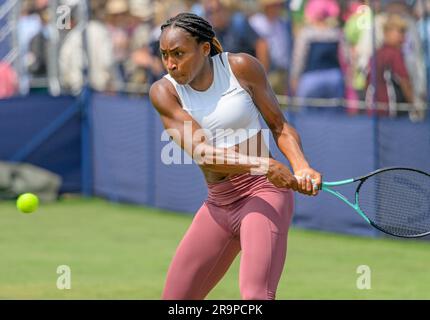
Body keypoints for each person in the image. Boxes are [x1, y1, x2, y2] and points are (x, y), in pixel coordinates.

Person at [149, 12, 321, 300]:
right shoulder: (164, 91)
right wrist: (263, 163)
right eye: (165, 54)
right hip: (219, 201)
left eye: (179, 53)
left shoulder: (241, 67)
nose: (171, 64)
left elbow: (279, 126)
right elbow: (203, 154)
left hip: (264, 193)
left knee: (255, 297)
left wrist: (302, 166)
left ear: (205, 49)